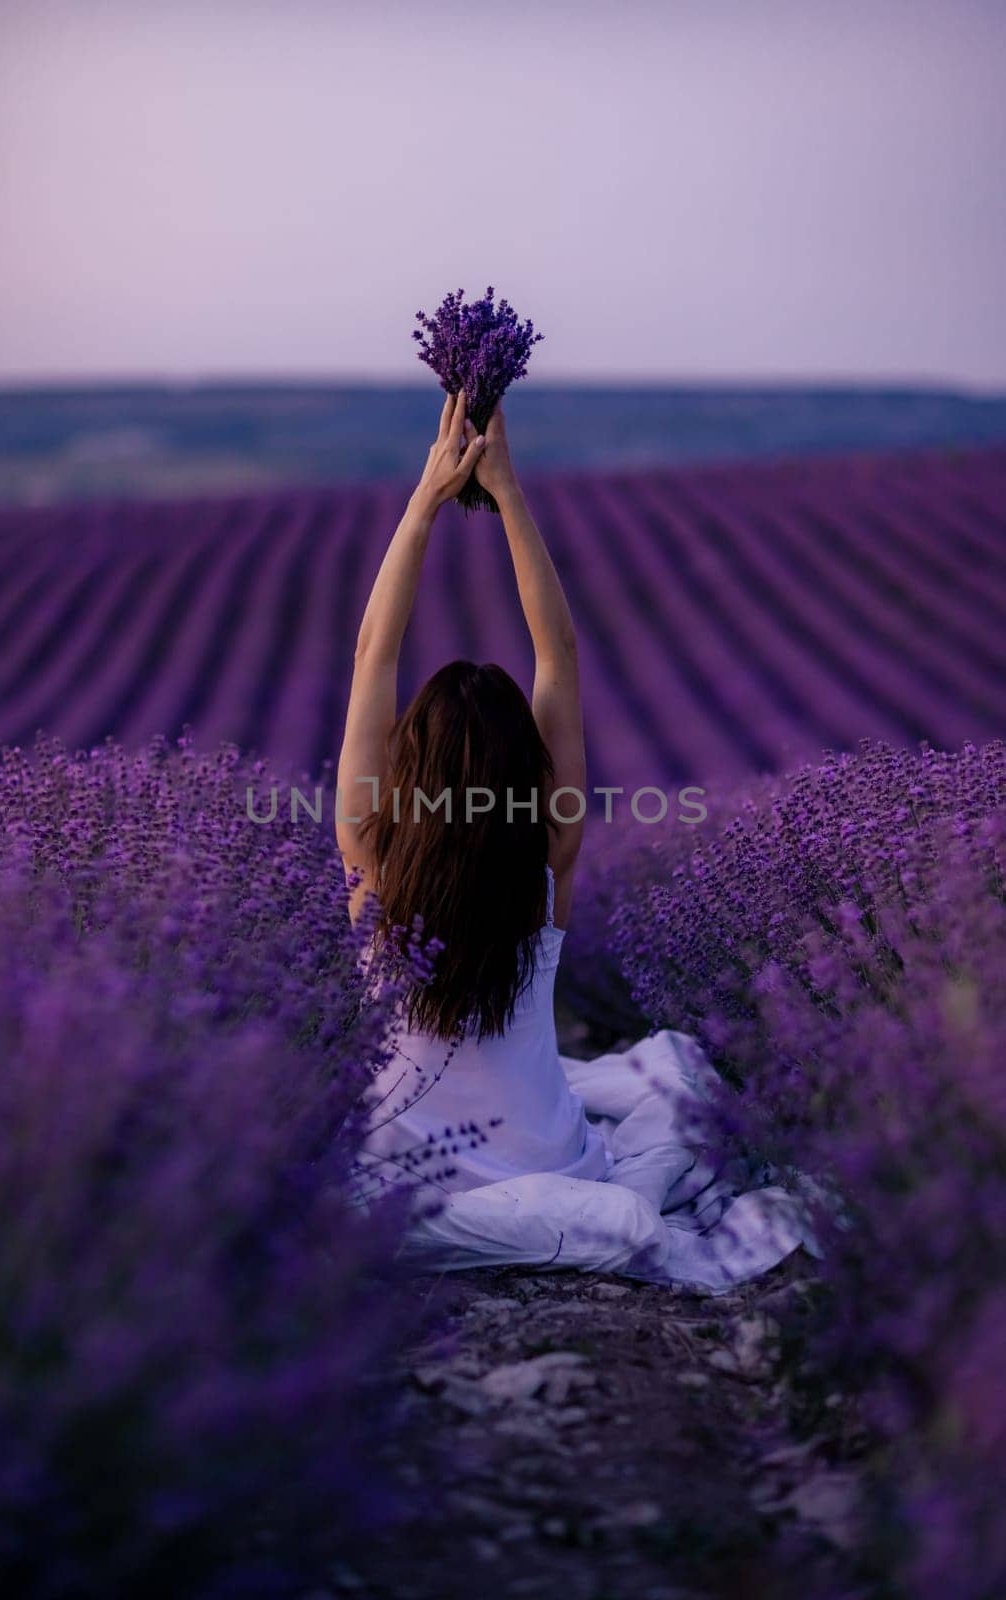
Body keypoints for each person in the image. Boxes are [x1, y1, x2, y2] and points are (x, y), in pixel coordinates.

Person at [335, 389, 819, 1291]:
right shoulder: (544, 854)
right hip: (559, 1168)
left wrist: (425, 500)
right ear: (523, 770)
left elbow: (373, 654)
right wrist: (508, 492)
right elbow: (556, 657)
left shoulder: (368, 855)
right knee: (663, 1117)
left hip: (411, 1186)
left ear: (407, 767)